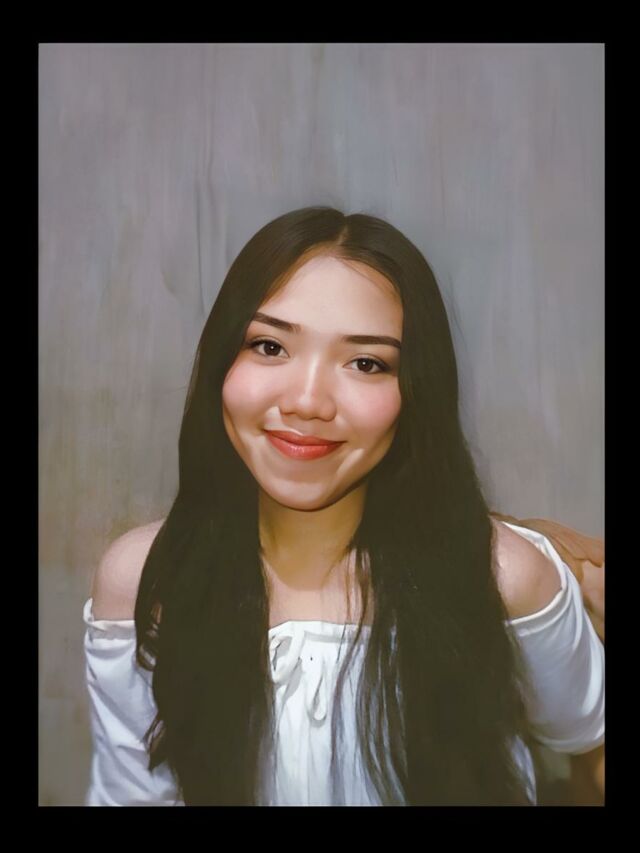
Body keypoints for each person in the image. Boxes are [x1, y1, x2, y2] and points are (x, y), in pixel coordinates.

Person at [83, 206, 604, 806]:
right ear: (222, 361)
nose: (307, 402)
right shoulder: (144, 580)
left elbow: (592, 749)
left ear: (415, 391)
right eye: (270, 346)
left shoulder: (505, 577)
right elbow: (133, 795)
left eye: (366, 363)